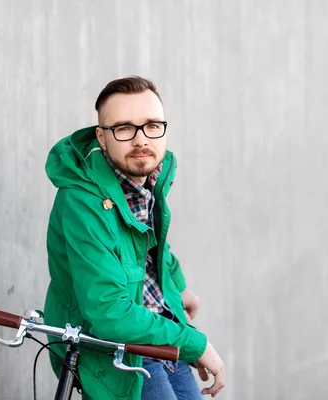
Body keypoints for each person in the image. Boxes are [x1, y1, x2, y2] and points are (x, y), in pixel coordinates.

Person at [44, 76, 225, 400]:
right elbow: (109, 312)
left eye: (152, 125)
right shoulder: (82, 201)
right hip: (119, 350)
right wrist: (194, 344)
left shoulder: (148, 176)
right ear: (102, 137)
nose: (141, 139)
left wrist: (177, 285)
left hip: (158, 329)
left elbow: (152, 241)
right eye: (124, 128)